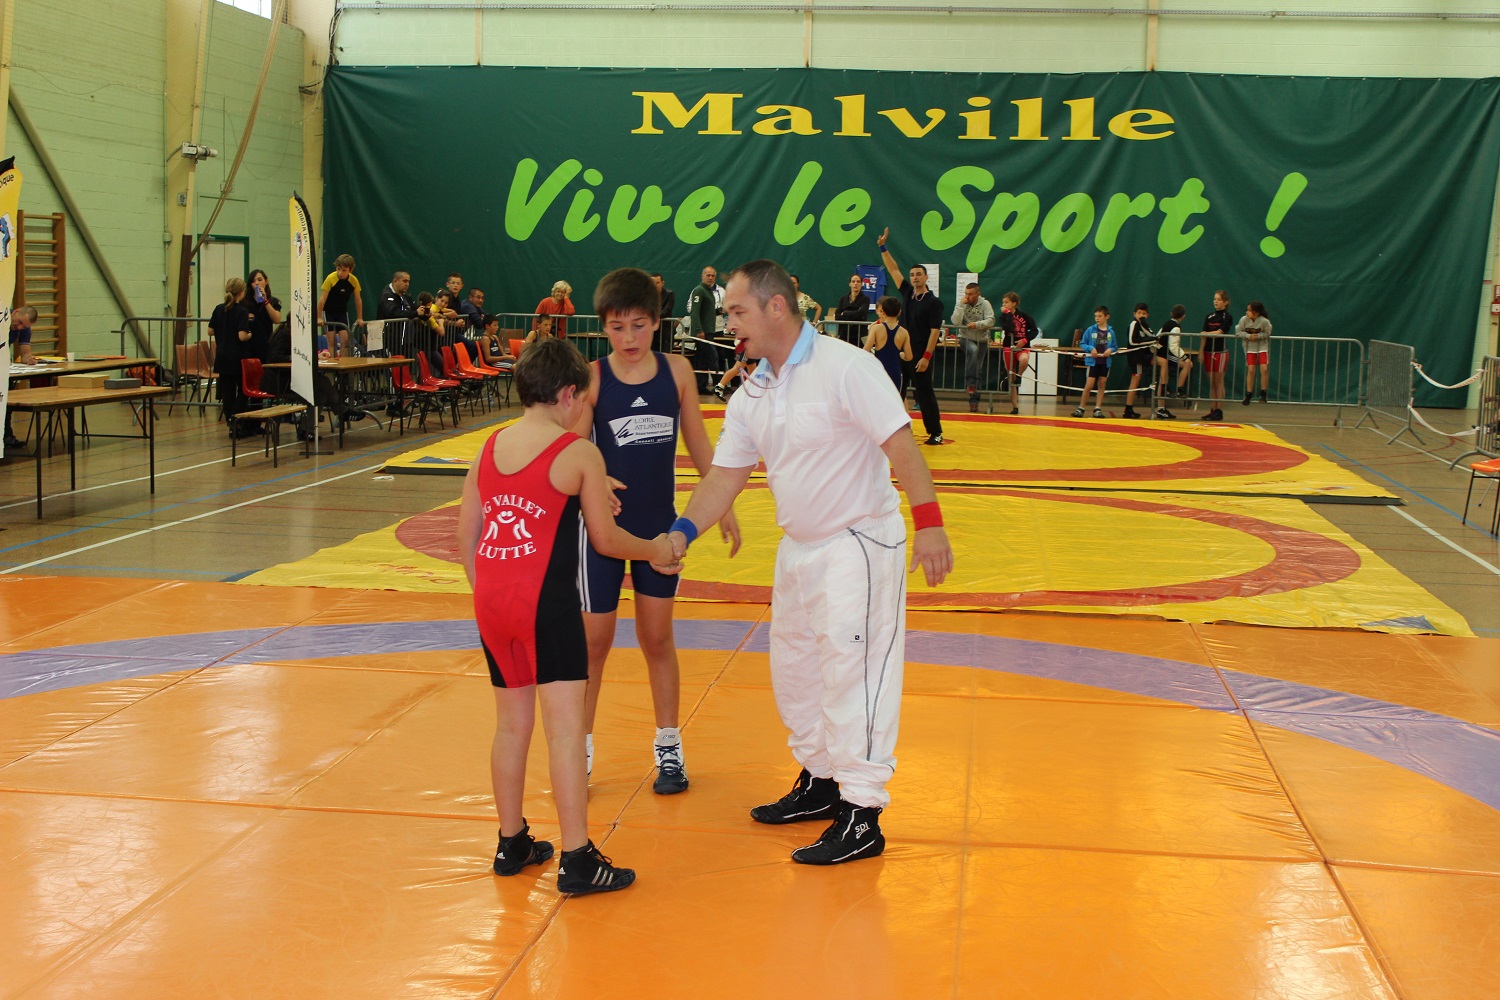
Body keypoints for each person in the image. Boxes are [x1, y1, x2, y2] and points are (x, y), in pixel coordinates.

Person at [667, 259, 954, 866]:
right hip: (799, 548)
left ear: (776, 307)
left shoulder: (846, 368)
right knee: (796, 670)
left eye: (737, 311)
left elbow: (902, 446)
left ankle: (862, 811)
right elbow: (724, 476)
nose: (728, 322)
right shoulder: (755, 390)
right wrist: (682, 531)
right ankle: (822, 779)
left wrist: (929, 525)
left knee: (856, 675)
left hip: (858, 542)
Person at [457, 337, 677, 896]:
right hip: (545, 605)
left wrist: (490, 596)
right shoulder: (577, 453)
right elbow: (606, 541)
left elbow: (467, 537)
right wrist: (654, 549)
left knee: (511, 726)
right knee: (563, 730)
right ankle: (577, 857)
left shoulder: (489, 447)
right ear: (568, 394)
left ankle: (512, 842)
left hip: (493, 602)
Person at [568, 267, 741, 793]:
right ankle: (578, 749)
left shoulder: (678, 371)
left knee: (657, 637)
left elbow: (699, 442)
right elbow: (572, 448)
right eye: (617, 328)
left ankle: (669, 746)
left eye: (638, 326)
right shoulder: (593, 377)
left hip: (658, 529)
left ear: (657, 322)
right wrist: (597, 476)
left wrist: (721, 502)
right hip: (602, 529)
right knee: (593, 643)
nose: (629, 338)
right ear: (603, 327)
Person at [877, 228, 945, 445]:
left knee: (924, 394)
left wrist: (926, 357)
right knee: (895, 392)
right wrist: (883, 247)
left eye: (919, 274)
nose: (915, 277)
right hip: (901, 354)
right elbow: (893, 269)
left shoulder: (934, 303)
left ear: (926, 277)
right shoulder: (907, 293)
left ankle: (935, 432)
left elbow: (935, 331)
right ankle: (893, 431)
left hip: (920, 355)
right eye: (913, 274)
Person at [210, 277, 254, 429]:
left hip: (222, 356)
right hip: (237, 357)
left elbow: (210, 330)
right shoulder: (242, 311)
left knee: (227, 392)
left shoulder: (218, 309)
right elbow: (242, 336)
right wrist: (250, 334)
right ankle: (236, 416)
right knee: (244, 389)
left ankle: (230, 420)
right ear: (241, 292)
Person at [950, 282, 994, 413]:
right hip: (965, 338)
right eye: (966, 293)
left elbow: (991, 320)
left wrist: (978, 324)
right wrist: (960, 305)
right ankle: (970, 383)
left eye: (970, 294)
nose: (967, 296)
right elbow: (955, 321)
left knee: (978, 370)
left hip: (982, 340)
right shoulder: (961, 303)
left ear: (978, 294)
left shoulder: (985, 304)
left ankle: (974, 401)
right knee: (973, 350)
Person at [684, 265, 727, 392]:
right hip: (703, 332)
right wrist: (699, 330)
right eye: (708, 275)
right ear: (702, 276)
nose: (710, 278)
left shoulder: (709, 292)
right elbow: (694, 312)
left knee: (702, 359)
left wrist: (718, 311)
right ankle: (719, 386)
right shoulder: (699, 290)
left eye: (713, 275)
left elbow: (707, 311)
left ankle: (700, 386)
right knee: (713, 357)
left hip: (710, 330)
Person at [4, 304, 38, 450]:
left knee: (6, 402)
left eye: (23, 326)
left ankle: (6, 436)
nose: (18, 327)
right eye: (18, 322)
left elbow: (25, 353)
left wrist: (28, 359)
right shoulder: (3, 318)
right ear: (16, 312)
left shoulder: (24, 328)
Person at [864, 294, 913, 394]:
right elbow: (909, 357)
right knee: (894, 401)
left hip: (879, 371)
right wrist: (901, 354)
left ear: (883, 312)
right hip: (895, 372)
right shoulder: (904, 332)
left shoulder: (876, 328)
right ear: (899, 312)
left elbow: (865, 351)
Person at [317, 254, 364, 357]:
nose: (340, 273)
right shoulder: (330, 278)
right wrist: (319, 317)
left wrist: (359, 317)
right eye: (338, 269)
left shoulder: (353, 281)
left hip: (342, 312)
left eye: (344, 270)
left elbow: (358, 300)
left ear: (350, 270)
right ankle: (333, 364)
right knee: (332, 341)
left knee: (345, 340)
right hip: (328, 312)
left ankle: (343, 364)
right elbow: (322, 299)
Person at [998, 292, 1035, 415]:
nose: (1004, 305)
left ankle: (1019, 376)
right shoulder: (1003, 317)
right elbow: (1009, 329)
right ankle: (1015, 406)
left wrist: (1024, 340)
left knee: (1024, 359)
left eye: (1006, 302)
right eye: (1003, 303)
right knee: (1011, 376)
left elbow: (1034, 330)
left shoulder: (1025, 316)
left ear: (1014, 303)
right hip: (1008, 346)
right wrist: (1008, 314)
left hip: (1022, 346)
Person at [1074, 306, 1114, 419]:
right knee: (1089, 385)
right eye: (1096, 316)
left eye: (1100, 316)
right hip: (1093, 362)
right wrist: (1091, 348)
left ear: (1107, 317)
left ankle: (1097, 409)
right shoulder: (1090, 330)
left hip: (1105, 363)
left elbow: (1114, 346)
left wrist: (1110, 350)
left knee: (1102, 384)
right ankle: (1081, 408)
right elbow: (1083, 343)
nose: (1097, 318)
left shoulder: (1111, 332)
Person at [1154, 304, 1192, 419]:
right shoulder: (1175, 327)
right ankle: (1180, 389)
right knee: (1188, 364)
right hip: (1165, 355)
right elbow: (1173, 347)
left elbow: (1157, 337)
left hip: (1161, 354)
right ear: (1183, 316)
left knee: (1163, 380)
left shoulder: (1166, 324)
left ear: (1172, 314)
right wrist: (1185, 357)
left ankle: (1161, 408)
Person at [1200, 290, 1233, 421]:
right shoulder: (1209, 316)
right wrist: (1201, 351)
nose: (1216, 302)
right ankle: (1213, 409)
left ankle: (1219, 410)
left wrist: (1206, 334)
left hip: (1220, 352)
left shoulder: (1227, 316)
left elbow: (1220, 332)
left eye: (1219, 299)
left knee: (1219, 382)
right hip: (1208, 352)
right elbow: (1203, 335)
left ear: (1225, 302)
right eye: (1214, 299)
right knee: (1212, 382)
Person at [1122, 302, 1155, 420]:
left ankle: (1129, 408)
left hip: (1141, 357)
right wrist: (1150, 340)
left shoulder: (1143, 325)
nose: (1141, 315)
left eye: (1144, 313)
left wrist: (1152, 338)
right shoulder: (1134, 324)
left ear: (1147, 315)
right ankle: (1128, 408)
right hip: (1135, 357)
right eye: (1139, 313)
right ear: (1134, 314)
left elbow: (1152, 336)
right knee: (1135, 380)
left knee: (1137, 380)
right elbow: (1132, 341)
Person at [1238, 300, 1272, 404]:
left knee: (1264, 369)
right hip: (1250, 348)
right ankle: (1249, 394)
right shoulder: (1243, 320)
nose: (1247, 312)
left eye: (1249, 310)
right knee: (1251, 369)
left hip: (1262, 347)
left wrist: (1258, 336)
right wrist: (1248, 336)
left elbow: (1267, 333)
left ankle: (1263, 394)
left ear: (1256, 312)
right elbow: (1238, 331)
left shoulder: (1264, 321)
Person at [244, 269, 283, 362]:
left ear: (266, 281)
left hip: (266, 343)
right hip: (249, 345)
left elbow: (277, 319)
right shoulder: (245, 302)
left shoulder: (273, 301)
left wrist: (265, 301)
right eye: (253, 281)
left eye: (260, 280)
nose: (257, 283)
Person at [377, 271, 417, 357]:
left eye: (408, 282)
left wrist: (424, 314)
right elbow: (394, 313)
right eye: (404, 281)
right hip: (390, 341)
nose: (407, 284)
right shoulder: (386, 295)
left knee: (407, 363)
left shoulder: (406, 297)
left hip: (406, 341)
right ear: (395, 281)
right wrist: (415, 313)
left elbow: (414, 309)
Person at [833, 274, 872, 345]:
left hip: (859, 336)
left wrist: (845, 313)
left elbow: (861, 314)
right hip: (844, 335)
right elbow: (837, 316)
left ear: (861, 284)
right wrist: (855, 313)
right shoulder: (843, 299)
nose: (855, 283)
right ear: (849, 284)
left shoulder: (865, 299)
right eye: (853, 281)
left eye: (858, 281)